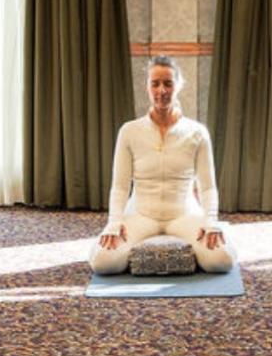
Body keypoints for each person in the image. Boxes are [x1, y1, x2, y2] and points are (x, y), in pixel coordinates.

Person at [89, 55, 234, 275]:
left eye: (168, 83)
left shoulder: (197, 132)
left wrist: (211, 221)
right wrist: (114, 222)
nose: (161, 91)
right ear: (147, 87)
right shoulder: (129, 131)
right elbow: (120, 187)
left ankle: (216, 237)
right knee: (103, 263)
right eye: (155, 84)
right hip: (141, 214)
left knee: (220, 261)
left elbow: (207, 187)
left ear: (178, 86)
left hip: (183, 214)